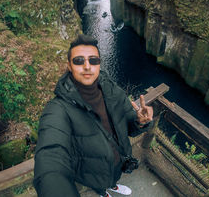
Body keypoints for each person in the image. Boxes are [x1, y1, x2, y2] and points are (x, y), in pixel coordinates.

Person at [33, 34, 154, 197]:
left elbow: (129, 126)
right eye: (78, 61)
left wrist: (140, 122)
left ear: (99, 64)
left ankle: (113, 185)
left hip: (118, 161)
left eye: (93, 60)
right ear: (69, 65)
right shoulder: (58, 109)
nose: (87, 66)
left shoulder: (111, 89)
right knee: (100, 186)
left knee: (113, 177)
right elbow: (50, 158)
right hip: (92, 172)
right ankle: (103, 192)